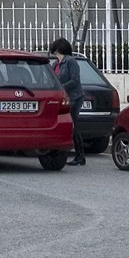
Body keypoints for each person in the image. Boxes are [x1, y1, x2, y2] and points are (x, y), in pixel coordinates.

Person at [49, 37, 87, 166]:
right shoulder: (56, 64)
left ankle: (80, 155)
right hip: (62, 98)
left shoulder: (70, 61)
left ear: (59, 49)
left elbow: (75, 80)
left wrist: (61, 87)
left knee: (72, 124)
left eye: (55, 50)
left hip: (74, 97)